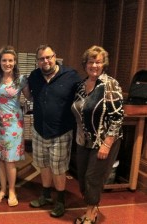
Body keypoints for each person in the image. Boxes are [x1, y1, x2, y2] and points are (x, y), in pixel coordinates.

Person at [72, 46, 124, 224]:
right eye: (91, 61)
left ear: (104, 64)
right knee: (82, 177)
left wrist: (107, 144)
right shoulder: (80, 85)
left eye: (98, 62)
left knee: (92, 178)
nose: (94, 65)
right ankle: (92, 206)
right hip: (82, 140)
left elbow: (117, 118)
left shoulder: (110, 85)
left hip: (102, 141)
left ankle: (90, 214)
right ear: (85, 64)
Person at [28, 44, 81, 218]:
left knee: (58, 168)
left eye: (49, 57)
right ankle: (45, 195)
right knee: (43, 164)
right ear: (37, 61)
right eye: (42, 58)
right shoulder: (34, 76)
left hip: (61, 131)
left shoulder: (71, 76)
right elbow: (30, 97)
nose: (46, 61)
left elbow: (82, 98)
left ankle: (60, 201)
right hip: (39, 129)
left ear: (55, 56)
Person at [0, 46, 31, 206]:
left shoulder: (21, 80)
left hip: (14, 124)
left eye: (10, 60)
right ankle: (2, 189)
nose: (7, 63)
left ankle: (12, 190)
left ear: (15, 62)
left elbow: (30, 97)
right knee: (1, 159)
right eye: (4, 60)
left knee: (10, 160)